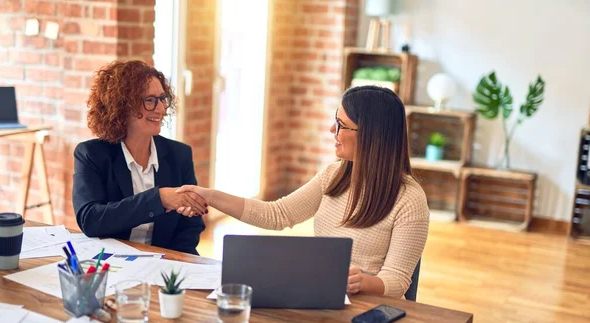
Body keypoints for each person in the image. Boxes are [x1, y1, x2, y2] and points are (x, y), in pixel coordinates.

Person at [176, 86, 430, 297]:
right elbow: (277, 214)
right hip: (323, 293)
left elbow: (396, 282)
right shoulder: (335, 175)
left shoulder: (409, 199)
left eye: (341, 124)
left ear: (372, 136)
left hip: (366, 308)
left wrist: (362, 282)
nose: (333, 131)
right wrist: (209, 195)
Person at [72, 60, 207, 255]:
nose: (160, 109)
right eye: (150, 100)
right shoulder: (91, 154)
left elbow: (191, 226)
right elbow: (90, 220)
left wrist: (172, 263)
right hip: (112, 262)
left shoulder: (180, 154)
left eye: (162, 98)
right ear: (122, 106)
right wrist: (158, 199)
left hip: (166, 264)